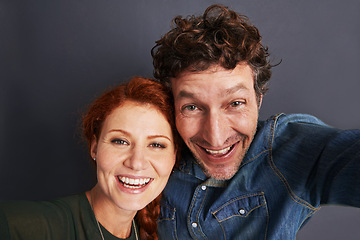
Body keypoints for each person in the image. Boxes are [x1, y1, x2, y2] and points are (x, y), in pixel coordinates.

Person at [151, 4, 360, 239]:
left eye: (235, 103)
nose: (215, 136)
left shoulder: (288, 149)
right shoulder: (151, 155)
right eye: (192, 107)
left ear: (258, 100)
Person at [0, 76, 179, 240]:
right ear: (95, 147)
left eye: (156, 145)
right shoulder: (24, 226)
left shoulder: (149, 232)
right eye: (120, 141)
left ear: (174, 157)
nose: (136, 162)